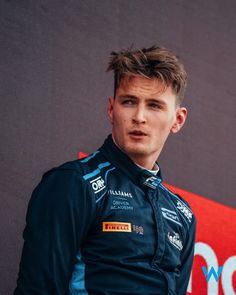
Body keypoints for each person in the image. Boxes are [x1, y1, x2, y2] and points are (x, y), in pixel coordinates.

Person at [15, 45, 196, 295]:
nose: (139, 117)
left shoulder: (182, 214)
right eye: (129, 102)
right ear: (112, 109)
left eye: (154, 105)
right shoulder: (74, 183)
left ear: (177, 120)